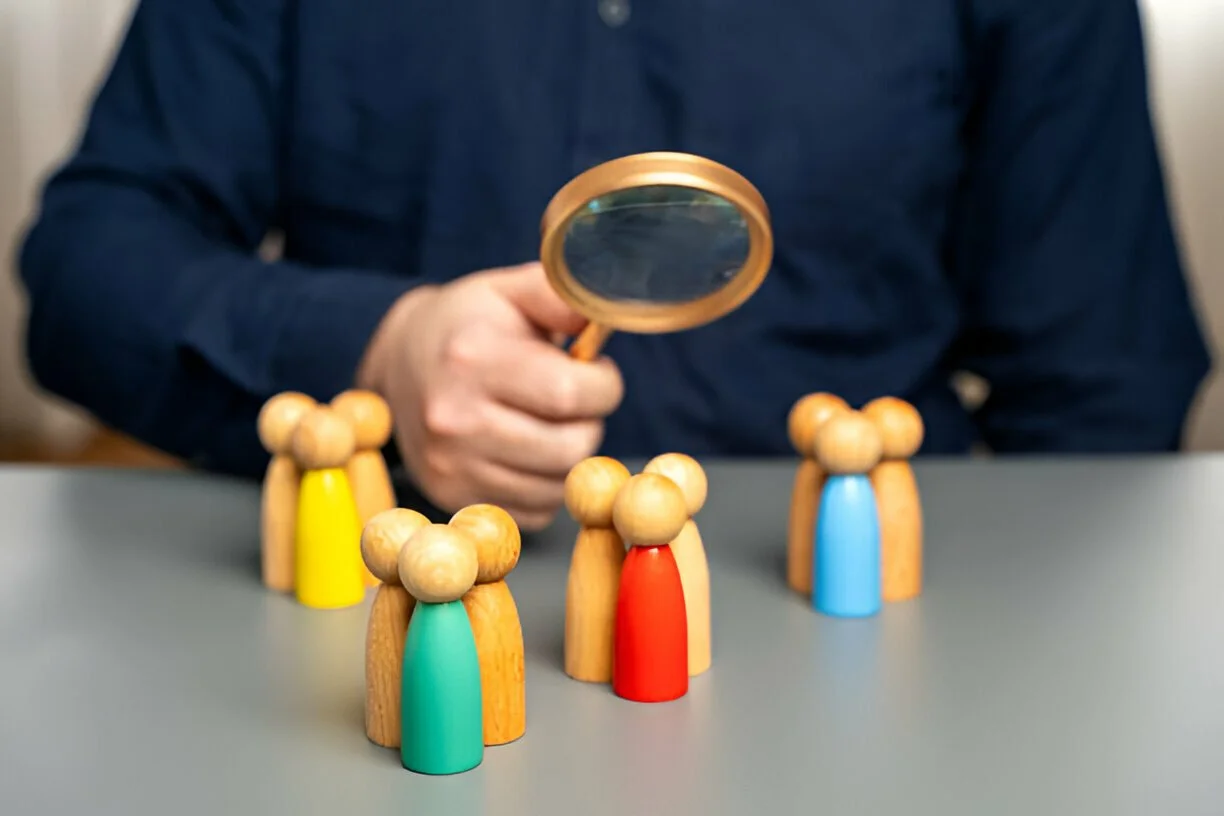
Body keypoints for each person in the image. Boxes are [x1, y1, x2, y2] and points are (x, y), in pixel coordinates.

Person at [16, 0, 1211, 531]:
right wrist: (376, 350)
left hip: (863, 616)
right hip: (411, 611)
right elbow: (85, 269)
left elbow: (1106, 385)